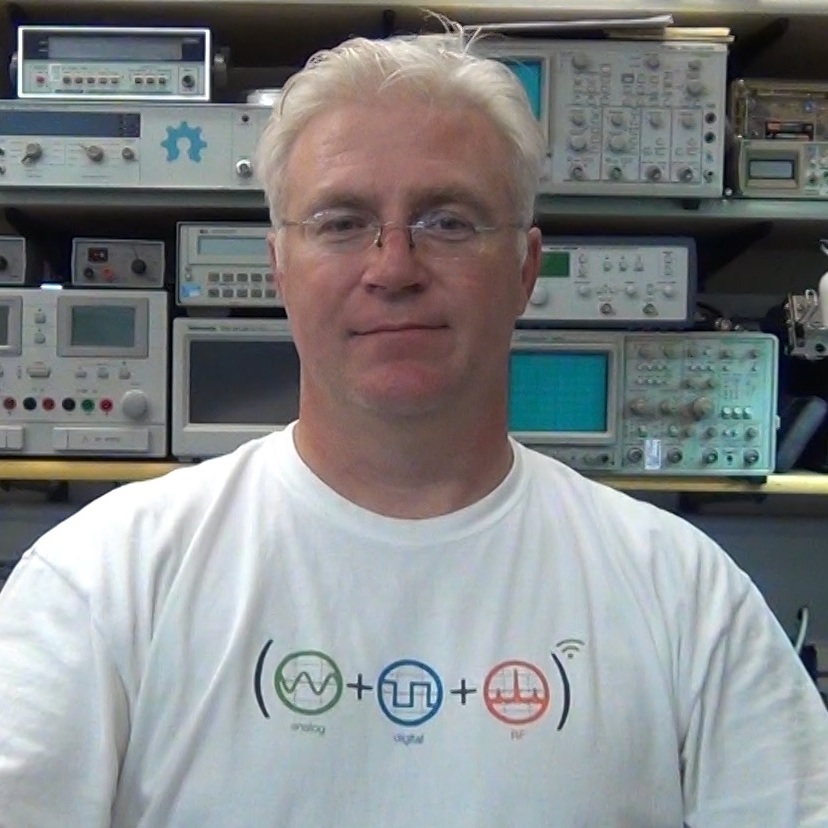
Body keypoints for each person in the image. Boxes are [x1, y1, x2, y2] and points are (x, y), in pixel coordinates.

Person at [0, 33, 826, 828]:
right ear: (279, 268)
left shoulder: (687, 598)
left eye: (447, 222)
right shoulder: (102, 582)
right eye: (340, 223)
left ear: (525, 269)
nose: (393, 268)